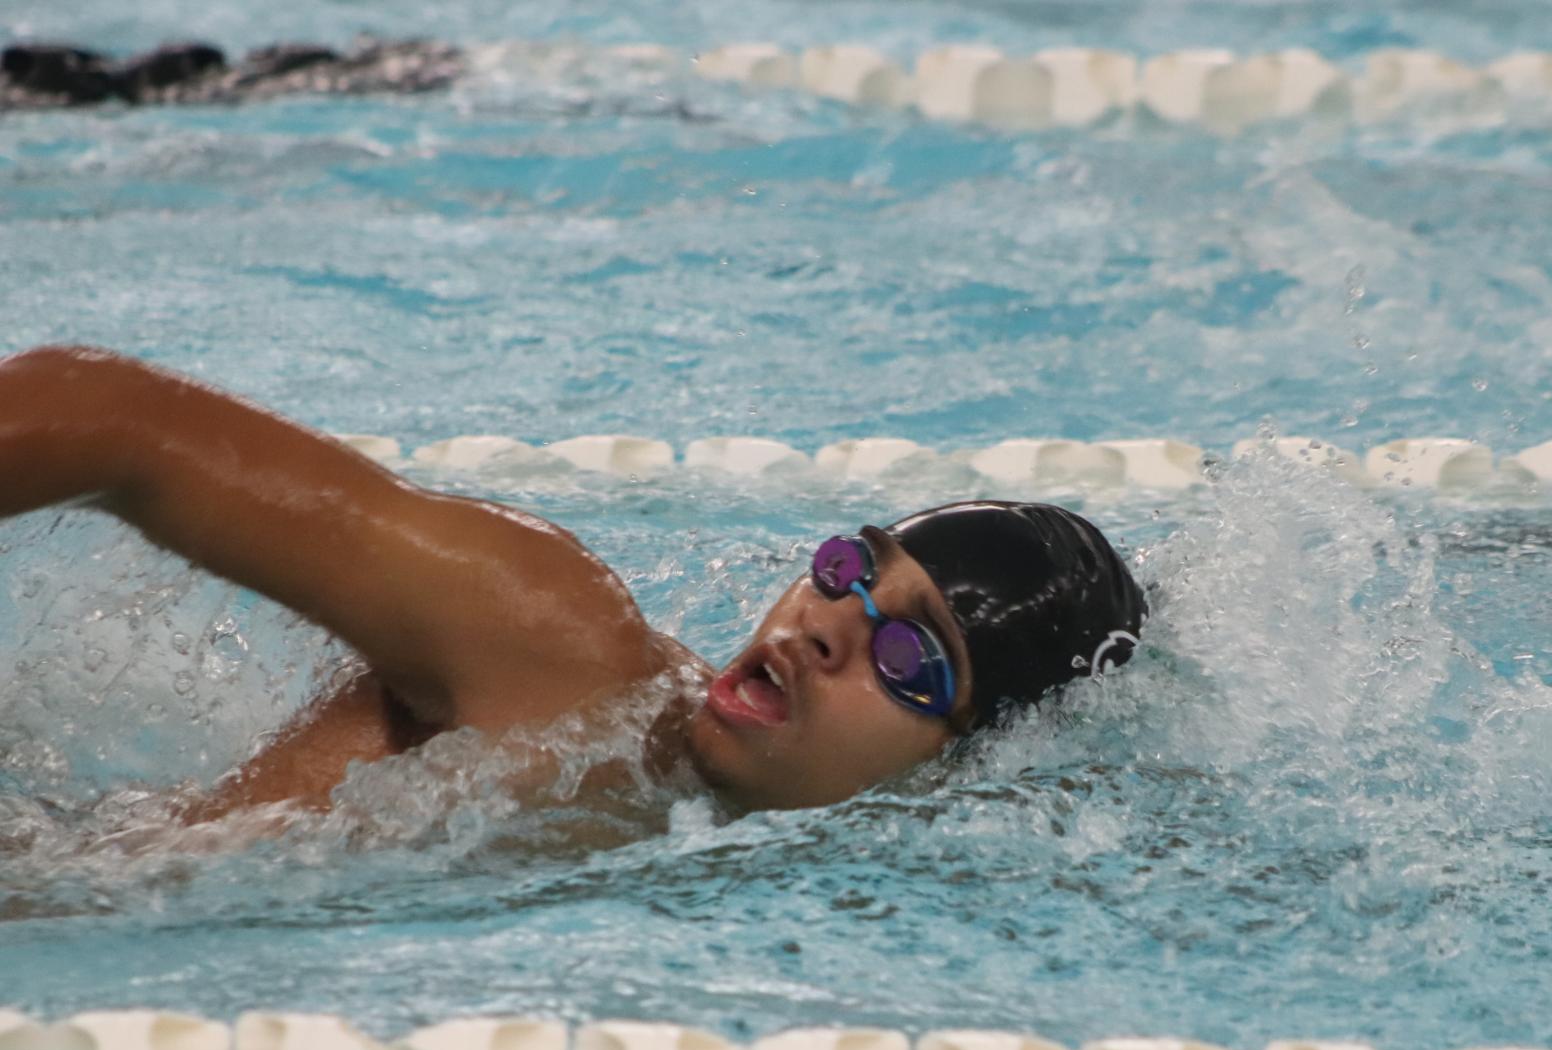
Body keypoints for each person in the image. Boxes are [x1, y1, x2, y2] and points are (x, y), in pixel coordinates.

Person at [0, 346, 1146, 822]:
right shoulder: (562, 648)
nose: (818, 629)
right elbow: (117, 424)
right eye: (847, 571)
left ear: (974, 765)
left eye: (909, 655)